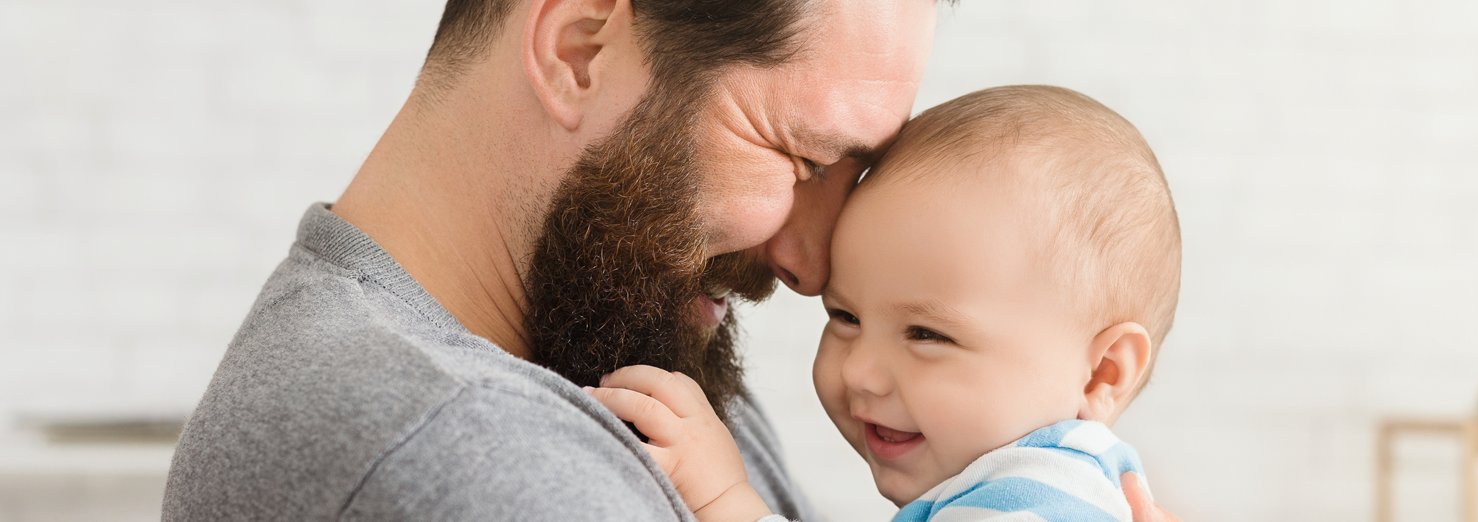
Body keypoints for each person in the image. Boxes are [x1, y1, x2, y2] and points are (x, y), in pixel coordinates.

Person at [161, 0, 1180, 516]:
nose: (817, 261)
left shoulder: (619, 339)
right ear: (581, 48)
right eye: (801, 154)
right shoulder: (474, 455)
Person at [589, 85, 1181, 522]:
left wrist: (725, 501)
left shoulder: (1038, 500)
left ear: (1102, 372)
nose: (859, 372)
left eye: (926, 334)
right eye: (844, 317)